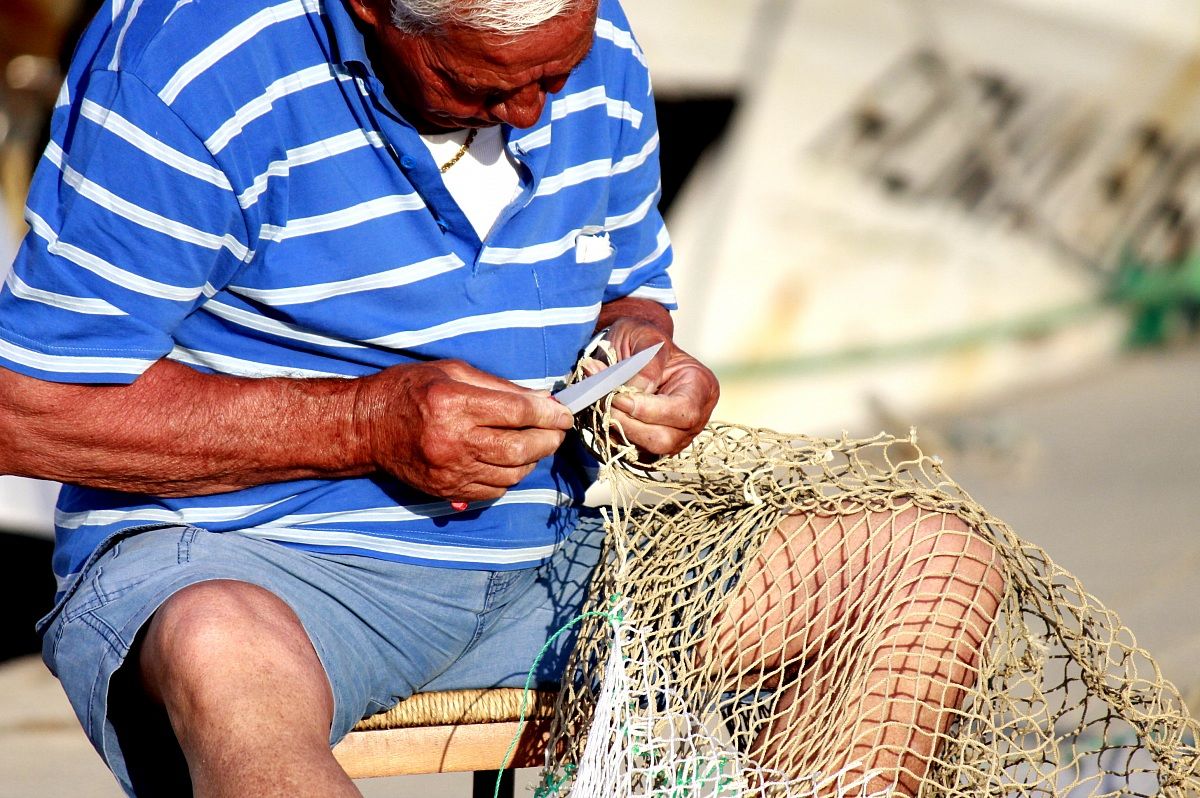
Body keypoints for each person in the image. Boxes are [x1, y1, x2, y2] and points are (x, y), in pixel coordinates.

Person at [0, 0, 1002, 795]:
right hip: (250, 566)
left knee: (925, 565)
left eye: (551, 78)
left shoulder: (591, 39)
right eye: (479, 84)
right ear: (371, 10)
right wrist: (367, 426)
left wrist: (644, 363)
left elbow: (630, 289)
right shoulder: (194, 56)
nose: (529, 113)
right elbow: (25, 406)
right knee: (222, 654)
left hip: (540, 566)